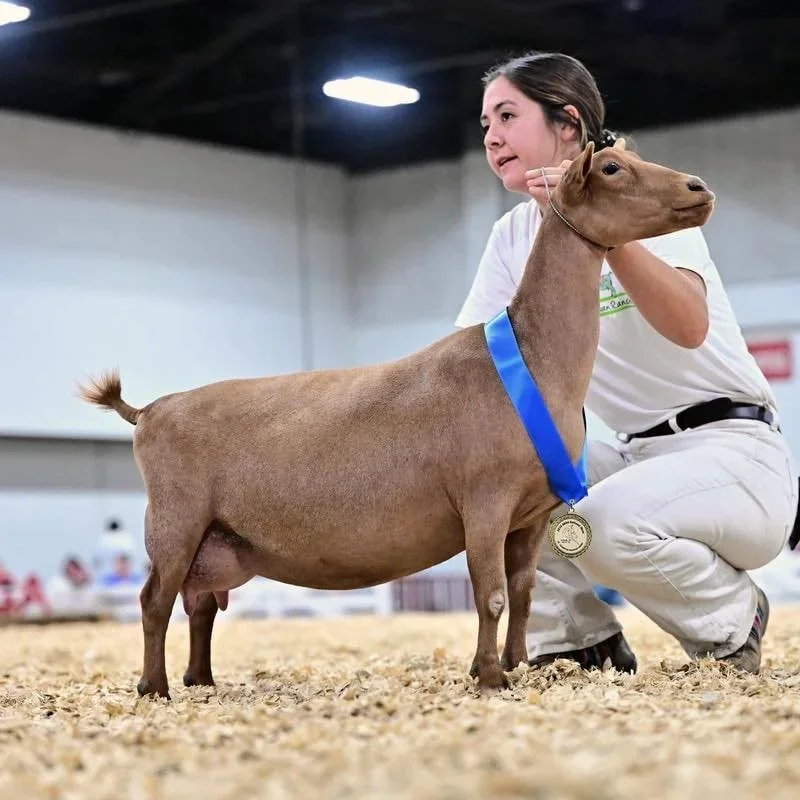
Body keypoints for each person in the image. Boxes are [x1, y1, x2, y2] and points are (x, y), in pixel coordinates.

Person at [455, 51, 799, 674]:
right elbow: (472, 360)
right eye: (485, 124)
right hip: (632, 455)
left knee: (599, 524)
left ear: (567, 123)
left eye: (507, 115)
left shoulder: (643, 192)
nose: (492, 137)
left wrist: (599, 226)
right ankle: (578, 641)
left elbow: (689, 327)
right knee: (509, 493)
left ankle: (731, 618)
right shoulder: (511, 237)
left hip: (736, 453)